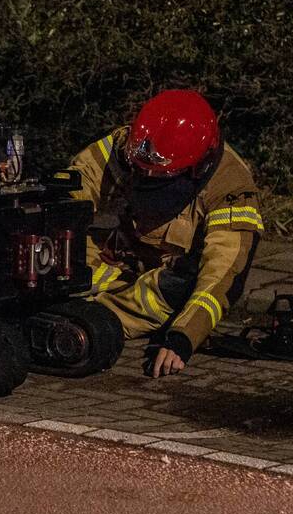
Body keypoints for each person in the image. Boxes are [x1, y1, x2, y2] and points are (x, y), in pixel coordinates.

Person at [69, 90, 262, 378]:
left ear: (197, 168)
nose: (147, 179)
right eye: (141, 172)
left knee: (182, 288)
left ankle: (92, 318)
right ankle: (67, 298)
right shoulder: (130, 146)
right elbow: (80, 177)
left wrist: (183, 338)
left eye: (160, 176)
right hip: (118, 261)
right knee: (55, 247)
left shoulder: (231, 190)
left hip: (166, 281)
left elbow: (221, 276)